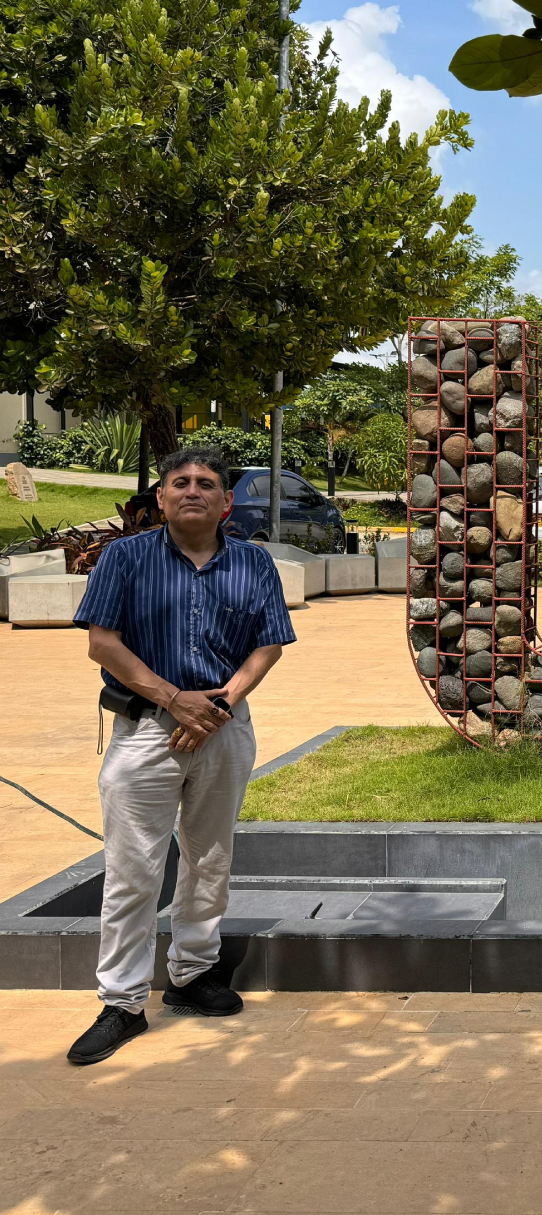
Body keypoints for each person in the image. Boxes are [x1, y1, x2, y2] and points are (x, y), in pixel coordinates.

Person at [65, 448, 296, 1065]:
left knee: (210, 858)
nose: (192, 490)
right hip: (146, 733)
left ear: (226, 503)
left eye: (207, 484)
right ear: (161, 498)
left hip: (223, 729)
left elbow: (268, 645)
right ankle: (121, 1002)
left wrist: (214, 709)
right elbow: (102, 644)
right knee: (133, 869)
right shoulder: (124, 558)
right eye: (180, 483)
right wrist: (175, 701)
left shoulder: (254, 564)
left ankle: (192, 975)